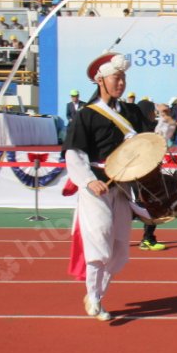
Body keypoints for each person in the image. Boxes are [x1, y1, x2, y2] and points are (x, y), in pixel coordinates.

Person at [63, 52, 147, 321]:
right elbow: (74, 153)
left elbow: (149, 142)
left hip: (123, 188)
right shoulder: (86, 115)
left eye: (123, 78)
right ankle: (95, 297)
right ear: (100, 80)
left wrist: (166, 126)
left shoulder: (132, 112)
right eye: (116, 78)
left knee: (119, 248)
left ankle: (96, 294)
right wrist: (89, 180)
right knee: (99, 237)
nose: (121, 83)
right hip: (96, 186)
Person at [135, 98, 168, 252]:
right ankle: (148, 239)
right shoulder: (145, 130)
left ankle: (147, 238)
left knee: (137, 207)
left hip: (139, 174)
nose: (152, 114)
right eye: (151, 112)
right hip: (143, 174)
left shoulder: (137, 128)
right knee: (151, 205)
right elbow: (161, 135)